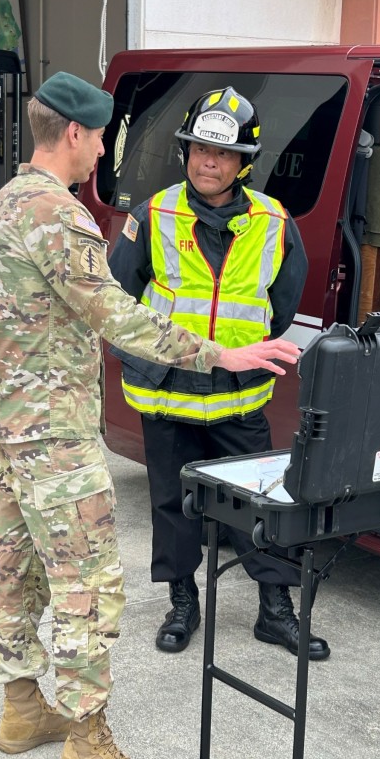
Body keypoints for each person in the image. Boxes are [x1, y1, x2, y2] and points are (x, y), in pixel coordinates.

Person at [0, 71, 301, 759]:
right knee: (88, 584)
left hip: (9, 419)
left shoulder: (2, 201)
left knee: (14, 568)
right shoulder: (58, 216)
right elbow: (119, 316)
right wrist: (222, 354)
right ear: (75, 134)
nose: (101, 153)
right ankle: (87, 742)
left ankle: (22, 709)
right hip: (53, 431)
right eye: (99, 138)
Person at [108, 86, 331, 661]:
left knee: (261, 504)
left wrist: (239, 345)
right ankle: (183, 602)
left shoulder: (274, 222)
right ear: (186, 153)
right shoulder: (151, 215)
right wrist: (149, 358)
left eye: (224, 154)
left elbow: (279, 307)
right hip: (167, 395)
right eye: (199, 150)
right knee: (171, 505)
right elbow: (116, 302)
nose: (209, 162)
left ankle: (275, 611)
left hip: (238, 397)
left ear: (244, 162)